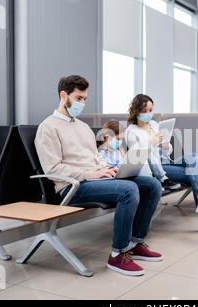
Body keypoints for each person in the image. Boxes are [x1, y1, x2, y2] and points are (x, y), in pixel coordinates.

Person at [35, 75, 164, 277]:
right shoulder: (48, 128)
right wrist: (91, 173)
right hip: (73, 187)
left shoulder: (83, 127)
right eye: (79, 98)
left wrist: (109, 169)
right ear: (63, 95)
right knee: (129, 190)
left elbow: (96, 157)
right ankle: (117, 254)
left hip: (97, 179)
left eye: (85, 99)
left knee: (152, 185)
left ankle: (134, 243)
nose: (82, 103)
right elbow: (52, 169)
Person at [125, 94, 198, 237]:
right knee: (195, 174)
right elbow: (137, 156)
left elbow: (166, 150)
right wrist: (151, 142)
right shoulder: (131, 131)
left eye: (151, 110)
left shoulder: (153, 124)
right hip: (155, 169)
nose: (149, 114)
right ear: (136, 111)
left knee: (192, 156)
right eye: (144, 111)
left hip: (166, 161)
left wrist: (166, 145)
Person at [98, 120, 181, 192]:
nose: (120, 142)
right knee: (145, 152)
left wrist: (125, 159)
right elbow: (103, 169)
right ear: (107, 137)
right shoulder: (100, 153)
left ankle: (159, 180)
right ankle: (157, 181)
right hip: (113, 180)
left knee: (145, 153)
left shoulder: (118, 151)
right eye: (118, 139)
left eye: (121, 140)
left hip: (125, 176)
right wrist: (114, 169)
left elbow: (123, 165)